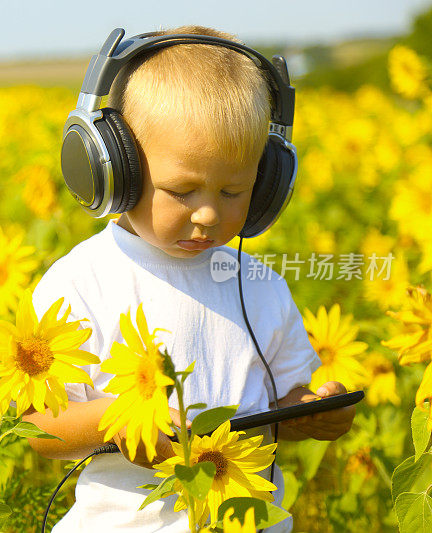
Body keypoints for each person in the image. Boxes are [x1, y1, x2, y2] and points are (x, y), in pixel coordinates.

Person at [22, 25, 355, 532]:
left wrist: (312, 413)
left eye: (233, 192)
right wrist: (118, 420)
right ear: (116, 169)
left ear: (267, 185)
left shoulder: (262, 286)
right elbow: (39, 429)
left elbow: (281, 404)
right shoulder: (81, 282)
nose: (206, 215)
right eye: (182, 191)